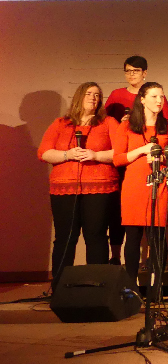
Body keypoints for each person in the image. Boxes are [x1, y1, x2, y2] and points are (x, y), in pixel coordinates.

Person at [38, 83, 119, 288]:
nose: (93, 98)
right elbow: (44, 152)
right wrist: (67, 155)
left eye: (97, 95)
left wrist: (95, 155)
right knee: (65, 237)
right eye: (89, 94)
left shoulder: (108, 122)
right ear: (79, 97)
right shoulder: (61, 123)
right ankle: (60, 287)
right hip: (64, 188)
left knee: (96, 236)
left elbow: (121, 152)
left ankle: (98, 286)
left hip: (100, 187)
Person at [112, 83, 168, 295]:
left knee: (157, 235)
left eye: (161, 96)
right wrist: (142, 151)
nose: (159, 101)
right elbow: (118, 158)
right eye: (154, 96)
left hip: (159, 181)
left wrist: (163, 156)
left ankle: (158, 288)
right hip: (134, 184)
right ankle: (130, 288)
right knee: (132, 237)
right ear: (141, 99)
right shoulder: (126, 126)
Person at [104, 55, 168, 265]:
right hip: (131, 164)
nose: (131, 75)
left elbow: (166, 126)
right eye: (128, 71)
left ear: (145, 73)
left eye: (135, 71)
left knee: (155, 225)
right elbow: (106, 122)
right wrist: (124, 123)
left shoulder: (158, 100)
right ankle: (117, 260)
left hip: (155, 171)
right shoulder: (117, 95)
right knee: (126, 219)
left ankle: (155, 274)